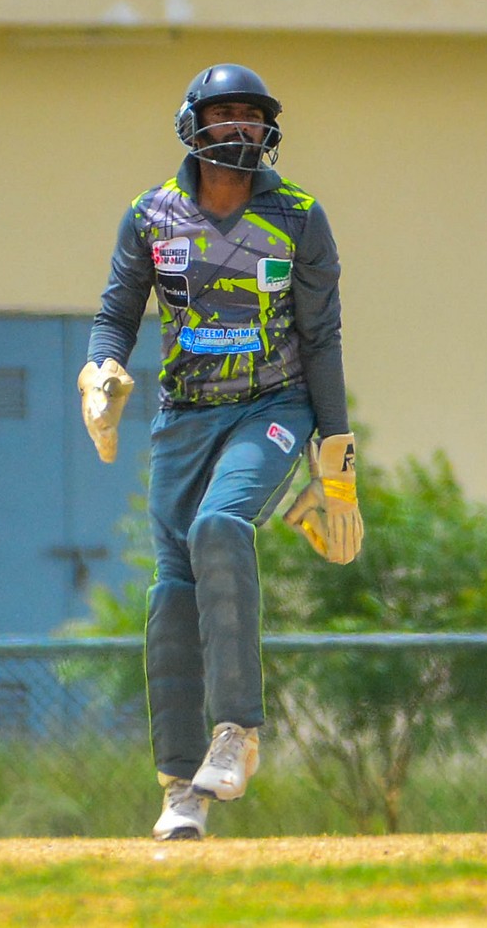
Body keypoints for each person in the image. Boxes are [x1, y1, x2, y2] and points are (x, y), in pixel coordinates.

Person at [78, 63, 365, 841]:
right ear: (193, 125)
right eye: (224, 113)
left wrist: (335, 460)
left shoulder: (299, 216)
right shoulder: (151, 216)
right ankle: (181, 789)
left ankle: (236, 731)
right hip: (183, 416)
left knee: (219, 526)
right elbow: (115, 314)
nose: (239, 126)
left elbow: (322, 336)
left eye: (252, 114)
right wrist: (100, 371)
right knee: (172, 588)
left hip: (273, 405)